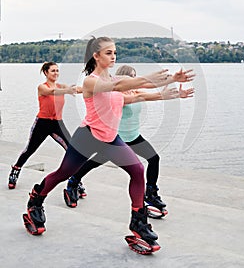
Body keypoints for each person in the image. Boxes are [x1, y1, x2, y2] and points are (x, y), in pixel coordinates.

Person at [22, 36, 194, 251]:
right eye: (108, 53)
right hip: (88, 137)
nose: (113, 56)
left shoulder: (112, 82)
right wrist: (154, 78)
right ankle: (36, 200)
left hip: (111, 139)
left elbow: (131, 96)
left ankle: (138, 222)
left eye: (114, 52)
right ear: (96, 56)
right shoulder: (91, 81)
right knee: (63, 174)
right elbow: (123, 84)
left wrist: (168, 90)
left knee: (138, 170)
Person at [63, 65, 194, 219]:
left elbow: (148, 92)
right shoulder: (114, 95)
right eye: (131, 77)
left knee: (154, 159)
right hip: (115, 139)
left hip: (133, 137)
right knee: (94, 162)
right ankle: (73, 182)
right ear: (124, 79)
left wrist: (174, 94)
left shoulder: (135, 90)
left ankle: (151, 192)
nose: (134, 79)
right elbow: (145, 96)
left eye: (135, 76)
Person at [8, 61, 81, 190]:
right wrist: (67, 90)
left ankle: (74, 180)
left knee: (71, 150)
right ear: (46, 73)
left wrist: (94, 89)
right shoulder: (42, 87)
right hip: (42, 123)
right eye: (53, 71)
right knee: (29, 150)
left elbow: (75, 89)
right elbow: (52, 91)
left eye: (57, 70)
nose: (56, 73)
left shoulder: (61, 86)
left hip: (57, 124)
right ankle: (15, 170)